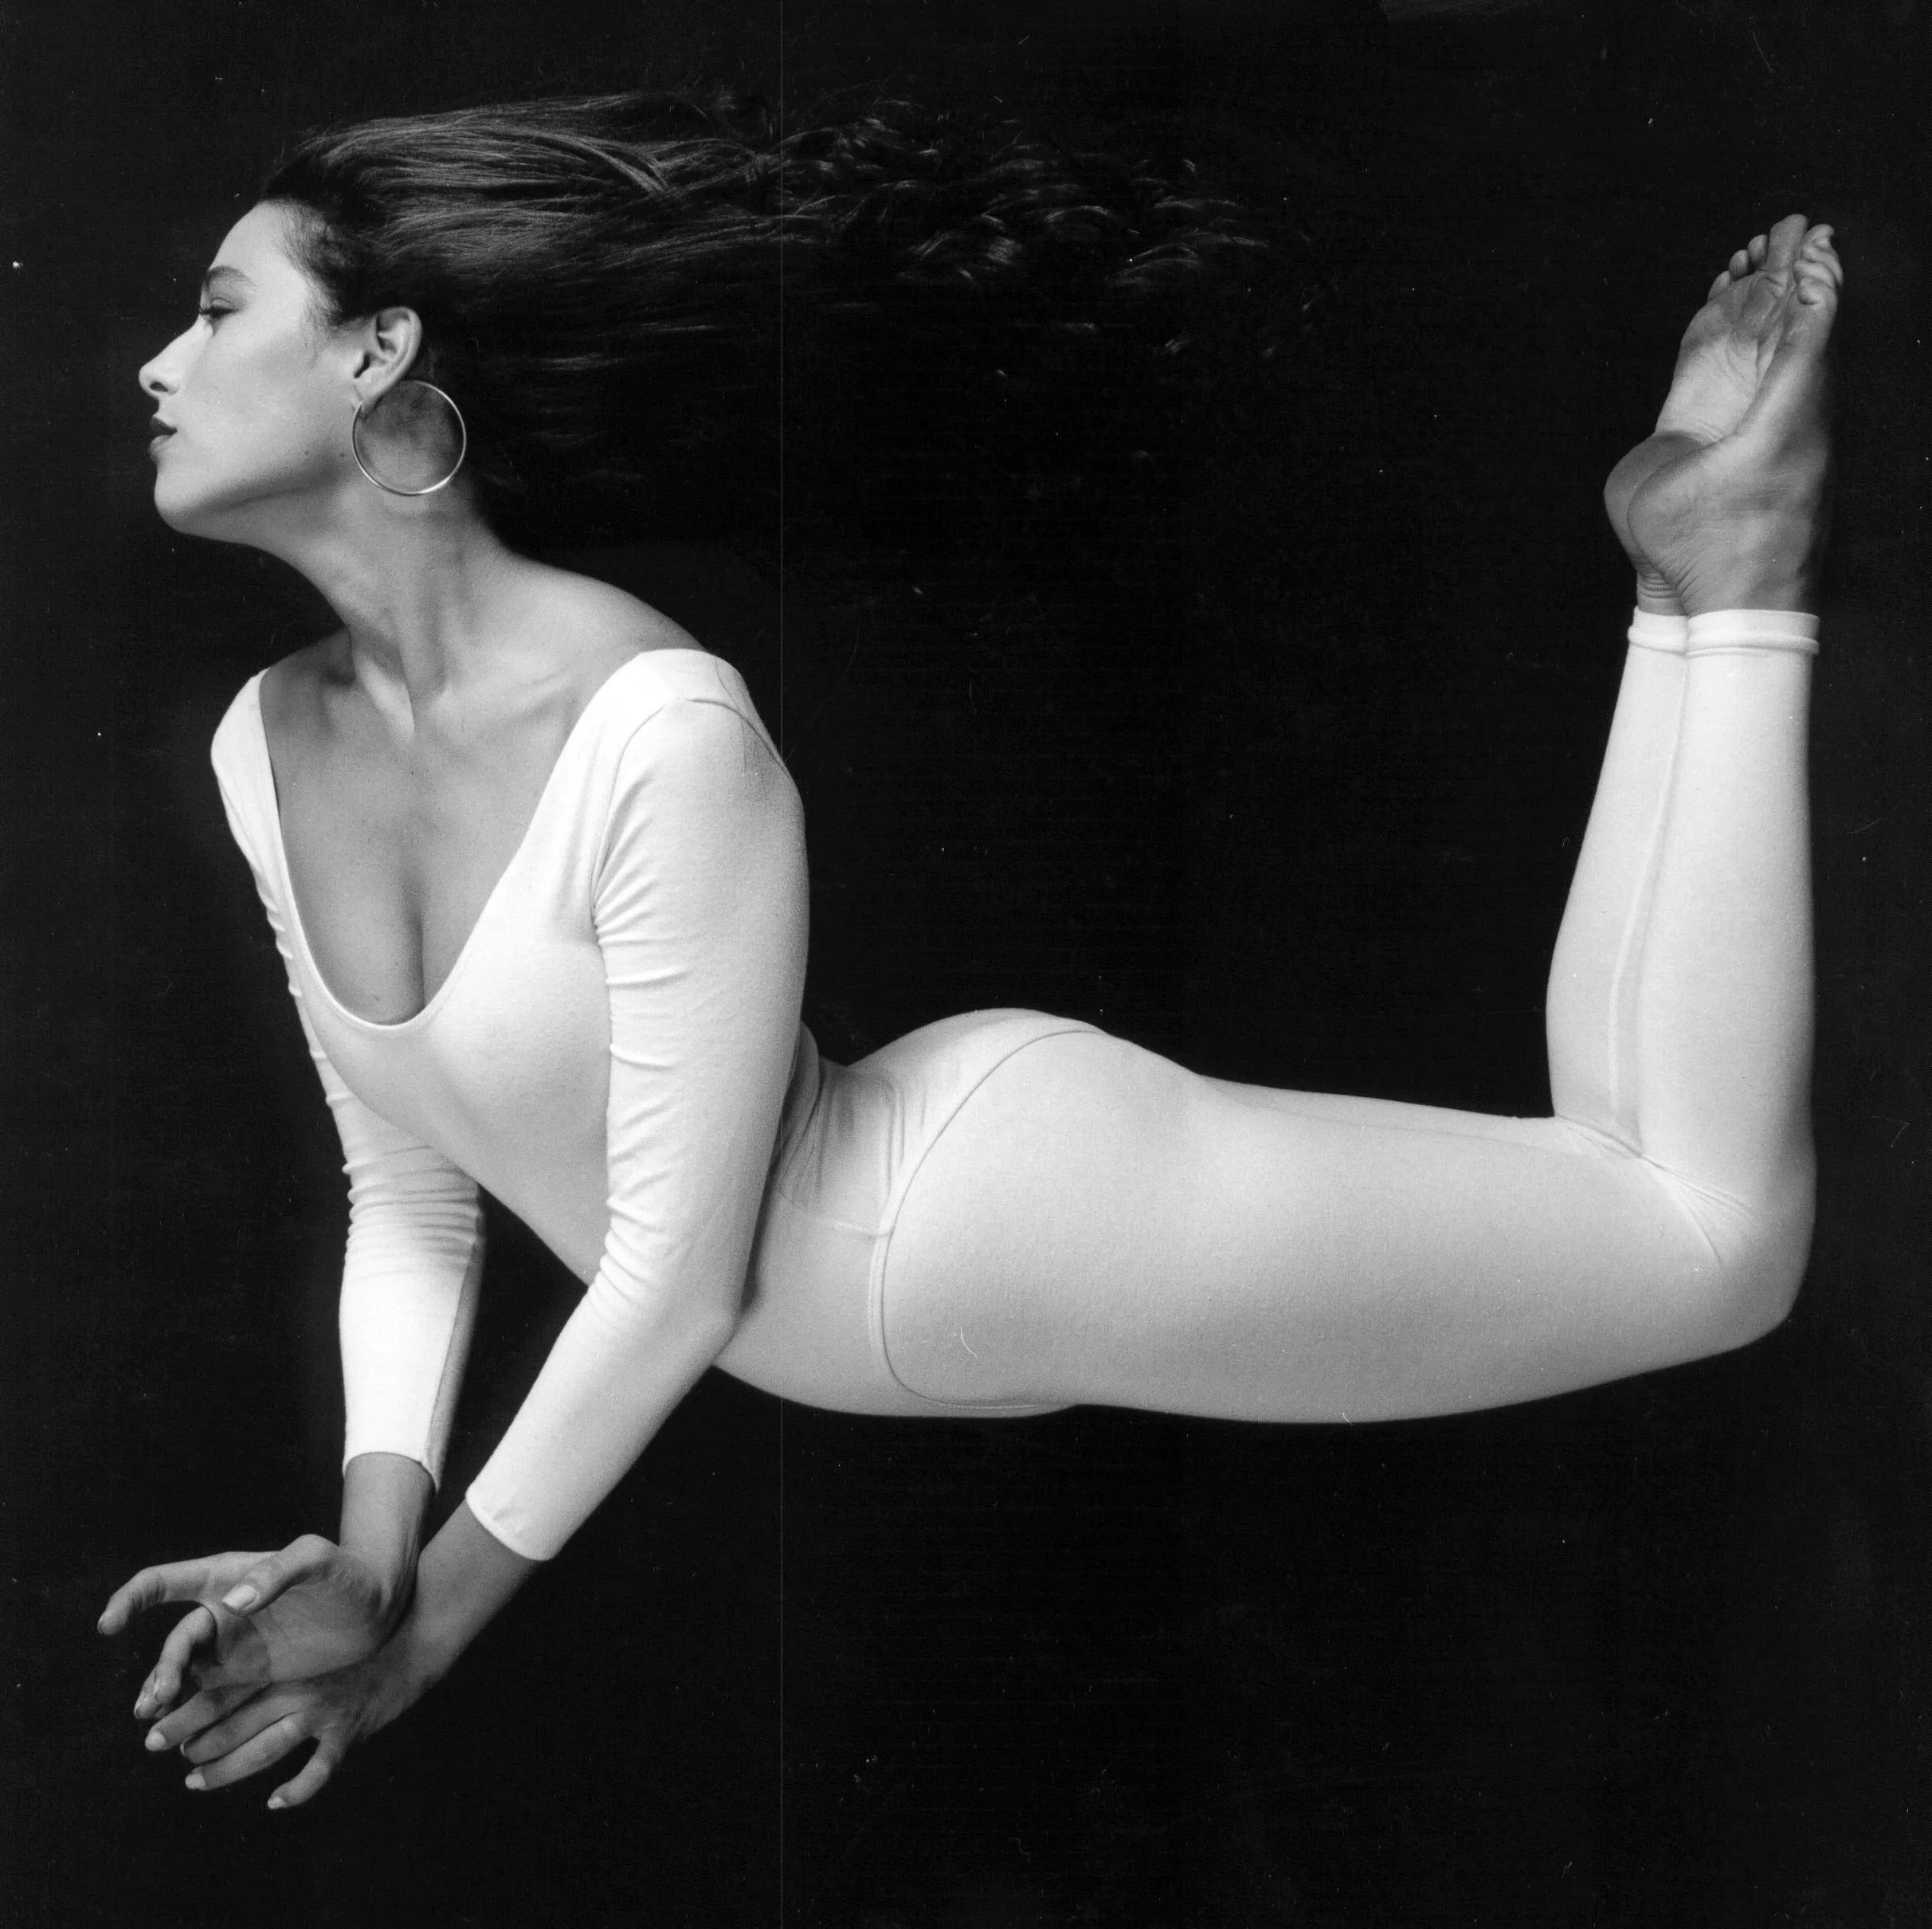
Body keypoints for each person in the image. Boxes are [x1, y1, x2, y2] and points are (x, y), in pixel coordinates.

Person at [96, 93, 1840, 1812]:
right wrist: (370, 1559)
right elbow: (411, 1189)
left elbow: (675, 1279)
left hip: (973, 1223)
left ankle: (1740, 570)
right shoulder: (267, 743)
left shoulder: (650, 720)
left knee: (1714, 1247)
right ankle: (1688, 578)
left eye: (220, 311)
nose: (161, 366)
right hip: (933, 1254)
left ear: (379, 352)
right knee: (1645, 1193)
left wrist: (432, 1626)